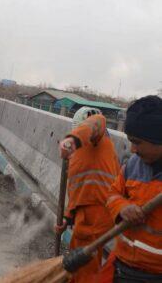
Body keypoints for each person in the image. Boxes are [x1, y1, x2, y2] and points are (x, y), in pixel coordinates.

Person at [97, 96, 162, 282]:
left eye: (138, 142)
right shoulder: (133, 165)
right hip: (122, 268)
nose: (132, 149)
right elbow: (112, 194)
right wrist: (122, 208)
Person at [57, 107, 120, 283]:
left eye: (78, 130)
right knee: (82, 260)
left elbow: (97, 121)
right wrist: (67, 218)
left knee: (84, 265)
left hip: (96, 213)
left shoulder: (97, 140)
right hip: (86, 213)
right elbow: (77, 190)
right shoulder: (82, 154)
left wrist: (71, 141)